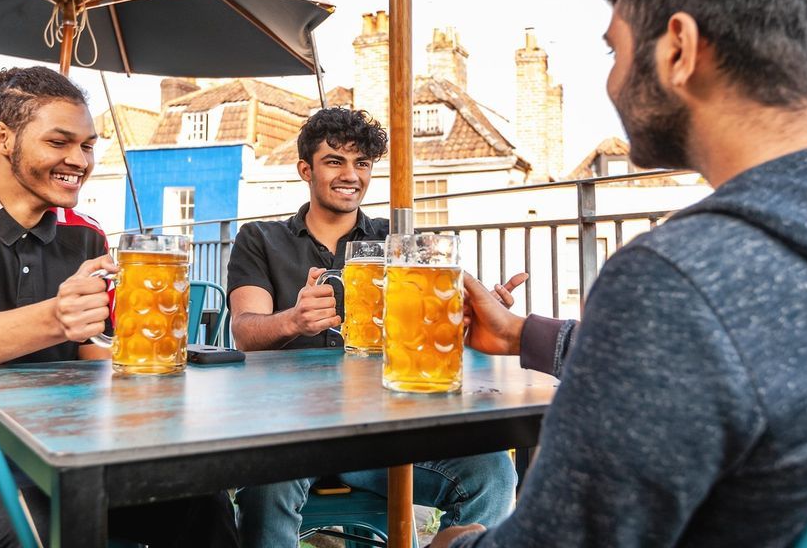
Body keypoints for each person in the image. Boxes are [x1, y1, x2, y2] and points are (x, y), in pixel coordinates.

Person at [431, 0, 807, 548]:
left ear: (679, 48)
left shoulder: (677, 281)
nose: (613, 82)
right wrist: (520, 336)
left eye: (615, 51)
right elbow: (748, 360)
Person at [0, 66, 239, 548]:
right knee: (41, 524)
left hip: (68, 442)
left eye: (88, 146)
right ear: (3, 138)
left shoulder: (86, 234)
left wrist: (146, 353)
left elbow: (90, 351)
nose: (79, 160)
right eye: (59, 142)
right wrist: (55, 318)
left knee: (204, 502)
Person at [227, 107, 562, 547]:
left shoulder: (397, 239)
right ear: (305, 169)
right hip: (290, 431)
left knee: (492, 471)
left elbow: (432, 320)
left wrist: (469, 316)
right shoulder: (260, 237)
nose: (352, 175)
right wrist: (293, 319)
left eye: (362, 163)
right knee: (266, 486)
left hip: (380, 433)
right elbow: (245, 331)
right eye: (335, 161)